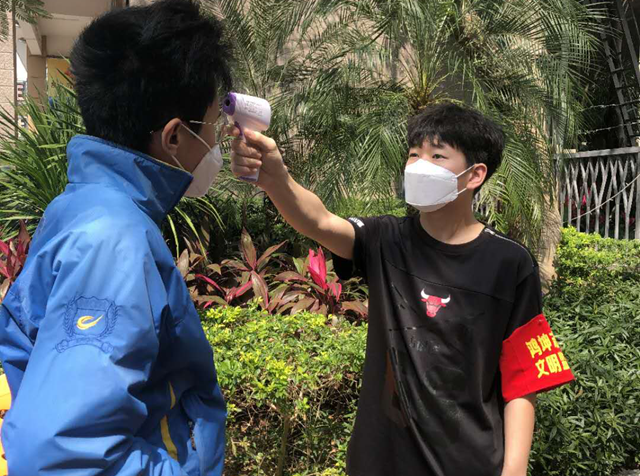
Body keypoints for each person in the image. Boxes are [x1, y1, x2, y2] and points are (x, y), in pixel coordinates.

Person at [229, 102, 575, 476]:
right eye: (414, 154)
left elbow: (523, 377)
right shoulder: (385, 240)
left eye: (437, 155)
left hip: (468, 463)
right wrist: (275, 178)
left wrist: (515, 468)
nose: (419, 166)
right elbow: (320, 221)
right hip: (379, 464)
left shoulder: (510, 263)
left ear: (475, 175)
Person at [0, 1, 232, 474]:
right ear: (173, 137)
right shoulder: (112, 241)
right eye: (213, 125)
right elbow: (60, 454)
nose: (217, 140)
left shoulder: (83, 204)